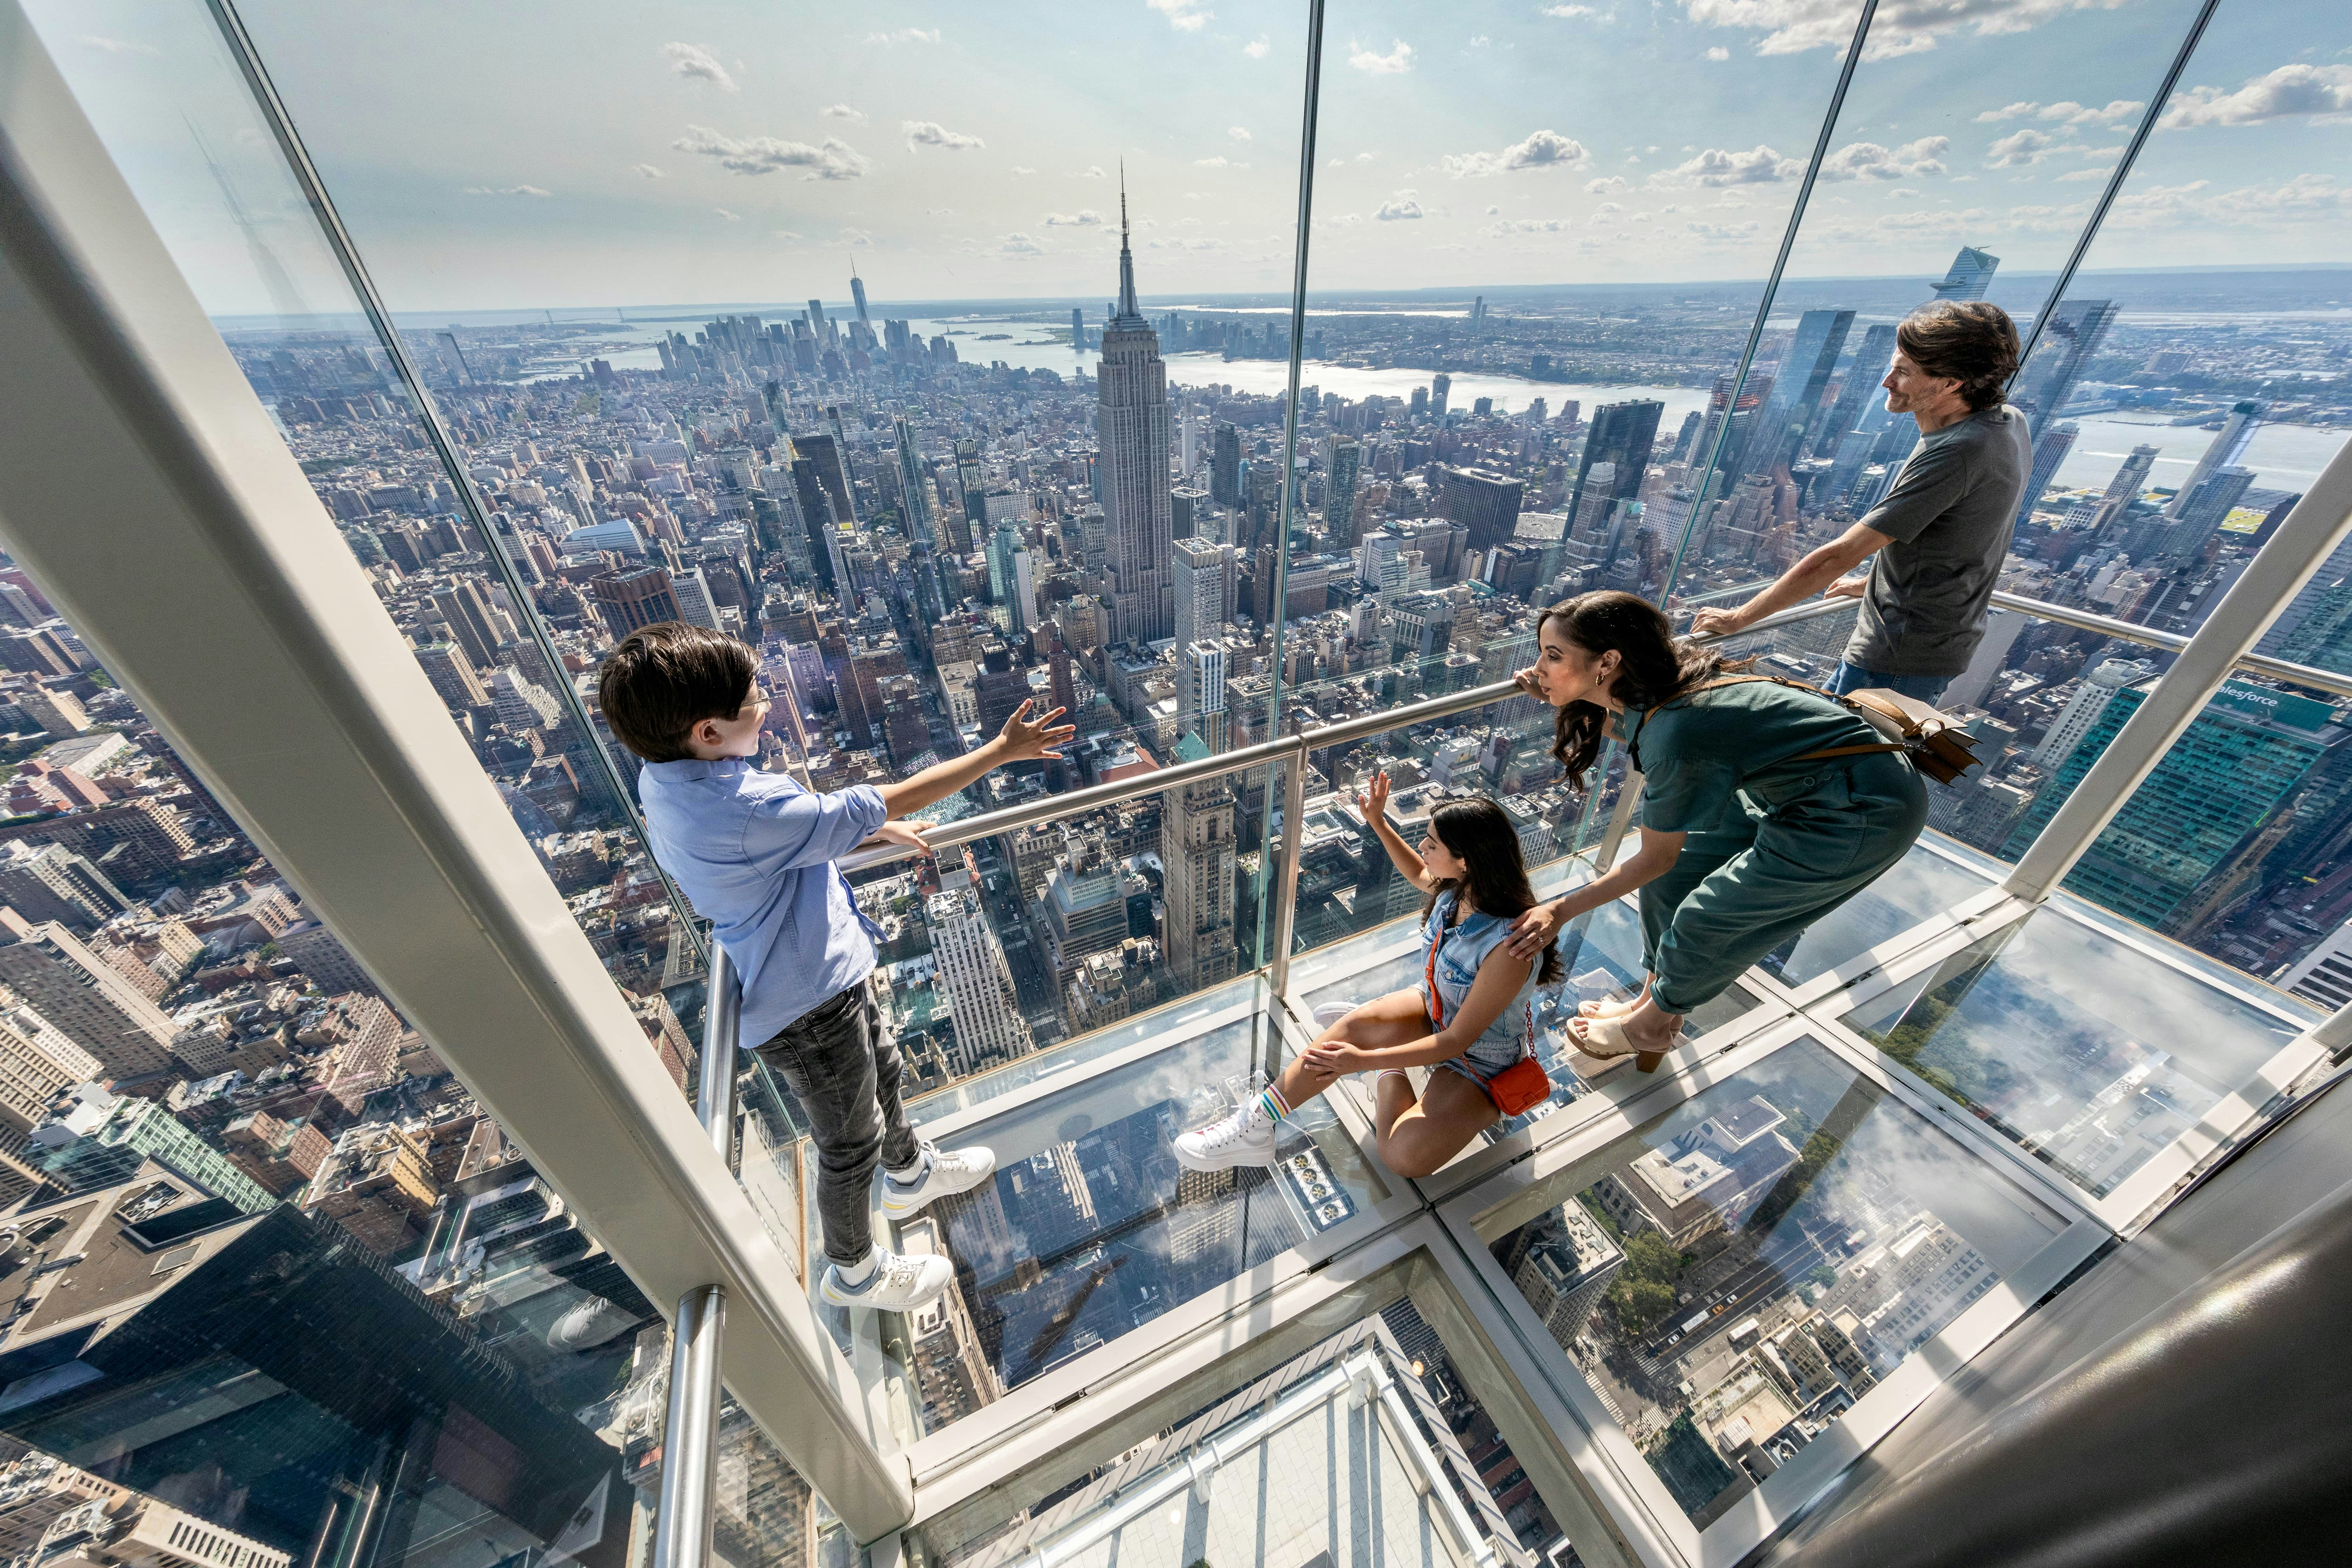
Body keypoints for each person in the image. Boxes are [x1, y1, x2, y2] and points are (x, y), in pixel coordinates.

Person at [602, 621, 1074, 1313]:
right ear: (706, 731)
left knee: (884, 1071)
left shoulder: (668, 778)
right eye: (753, 697)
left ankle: (910, 1171)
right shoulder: (746, 807)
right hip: (802, 1002)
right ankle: (855, 1272)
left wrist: (857, 828)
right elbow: (891, 797)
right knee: (850, 1144)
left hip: (819, 971)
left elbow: (798, 829)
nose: (765, 703)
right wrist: (1001, 751)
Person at [1507, 592, 1927, 1070]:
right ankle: (1653, 1001)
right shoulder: (1661, 688)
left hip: (1863, 812)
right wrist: (1560, 688)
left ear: (1608, 660)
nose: (1537, 666)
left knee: (1706, 917)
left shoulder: (1676, 733)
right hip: (1814, 789)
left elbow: (1653, 855)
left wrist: (1557, 911)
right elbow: (1664, 854)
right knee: (1675, 879)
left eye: (1552, 655)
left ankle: (1653, 1024)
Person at [1173, 776, 1564, 1179]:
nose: (1423, 848)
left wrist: (1365, 1061)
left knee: (1403, 1158)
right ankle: (1255, 1123)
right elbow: (1417, 873)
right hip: (1433, 1007)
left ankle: (1388, 1063)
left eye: (1432, 844)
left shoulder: (1509, 949)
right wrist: (1377, 821)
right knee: (1352, 1028)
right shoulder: (1459, 890)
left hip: (1478, 1062)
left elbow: (1457, 1041)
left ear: (1467, 859)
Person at [1690, 300, 2033, 704]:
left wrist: (1740, 618)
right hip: (1922, 643)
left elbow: (1837, 556)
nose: (1888, 382)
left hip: (1899, 656)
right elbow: (1964, 532)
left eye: (1904, 373)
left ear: (1951, 383)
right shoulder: (2006, 421)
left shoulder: (1959, 451)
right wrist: (1880, 584)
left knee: (1834, 764)